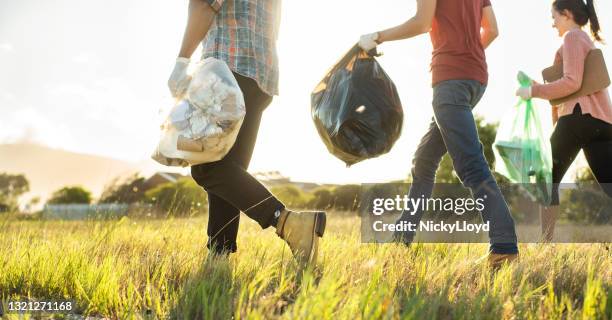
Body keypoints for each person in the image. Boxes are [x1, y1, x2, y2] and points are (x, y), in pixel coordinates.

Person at [359, 0, 519, 267]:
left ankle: (504, 246)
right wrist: (467, 52)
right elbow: (491, 30)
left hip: (450, 81)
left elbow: (422, 23)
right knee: (424, 160)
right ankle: (402, 237)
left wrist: (377, 37)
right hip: (475, 79)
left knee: (470, 164)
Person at [167, 0, 326, 265]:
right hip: (261, 74)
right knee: (230, 169)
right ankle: (218, 257)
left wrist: (182, 60)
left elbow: (204, 5)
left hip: (227, 67)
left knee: (208, 167)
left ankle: (287, 222)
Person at [516, 0, 612, 242]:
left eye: (554, 16)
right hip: (602, 123)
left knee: (545, 177)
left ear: (567, 14)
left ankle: (545, 244)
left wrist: (534, 91)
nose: (552, 23)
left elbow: (572, 83)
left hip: (578, 117)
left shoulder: (572, 38)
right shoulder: (584, 40)